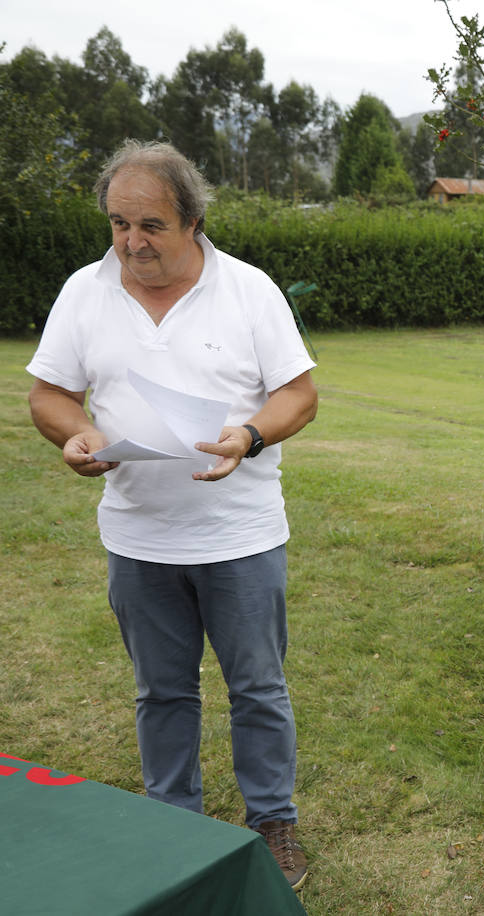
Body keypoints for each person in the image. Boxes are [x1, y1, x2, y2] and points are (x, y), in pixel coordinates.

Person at [26, 140, 317, 891]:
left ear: (192, 221)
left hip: (241, 535)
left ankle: (272, 826)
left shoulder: (248, 291)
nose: (131, 243)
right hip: (139, 538)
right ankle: (171, 828)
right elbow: (50, 395)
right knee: (161, 692)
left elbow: (298, 394)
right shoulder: (85, 292)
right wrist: (76, 434)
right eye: (119, 224)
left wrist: (249, 435)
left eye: (150, 225)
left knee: (256, 687)